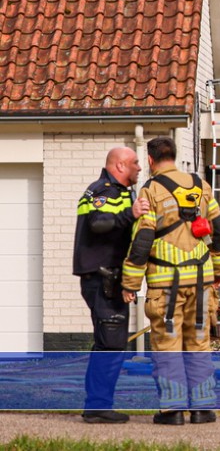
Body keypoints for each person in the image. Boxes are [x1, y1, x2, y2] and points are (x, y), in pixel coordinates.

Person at [122, 136, 220, 426]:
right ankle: (203, 408)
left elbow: (143, 239)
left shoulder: (151, 190)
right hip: (202, 283)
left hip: (165, 287)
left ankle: (173, 410)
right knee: (199, 343)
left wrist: (130, 284)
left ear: (151, 160)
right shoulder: (200, 185)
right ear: (174, 155)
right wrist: (219, 271)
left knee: (167, 346)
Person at [73, 147, 149, 423]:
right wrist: (131, 214)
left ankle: (98, 404)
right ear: (119, 166)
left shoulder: (116, 192)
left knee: (108, 343)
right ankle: (97, 407)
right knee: (111, 344)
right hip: (103, 279)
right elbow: (98, 223)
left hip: (108, 279)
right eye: (134, 163)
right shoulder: (104, 191)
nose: (139, 168)